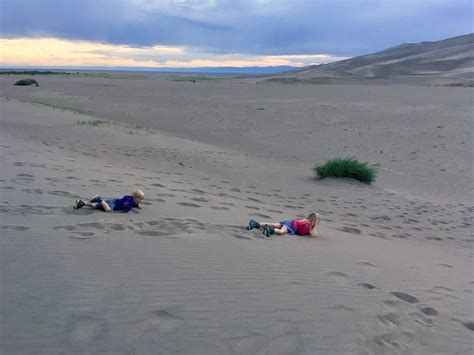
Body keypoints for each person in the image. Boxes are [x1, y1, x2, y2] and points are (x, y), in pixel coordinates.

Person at [247, 212, 320, 237]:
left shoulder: (304, 220)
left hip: (289, 222)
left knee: (273, 224)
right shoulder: (308, 225)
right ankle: (269, 229)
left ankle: (255, 224)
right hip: (291, 225)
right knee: (281, 232)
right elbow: (301, 232)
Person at [73, 189, 145, 212]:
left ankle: (82, 203)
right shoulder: (128, 200)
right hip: (112, 203)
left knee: (95, 206)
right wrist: (128, 209)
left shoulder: (134, 202)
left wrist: (138, 205)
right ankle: (100, 199)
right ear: (135, 197)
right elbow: (127, 208)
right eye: (140, 199)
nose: (141, 201)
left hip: (109, 203)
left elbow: (137, 205)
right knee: (108, 210)